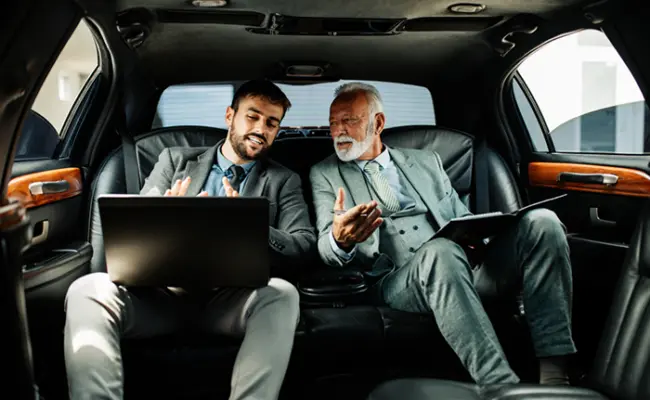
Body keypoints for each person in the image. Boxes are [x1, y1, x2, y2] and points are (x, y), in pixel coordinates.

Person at [309, 82, 576, 386]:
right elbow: (325, 244)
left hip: (463, 266)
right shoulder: (325, 173)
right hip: (395, 281)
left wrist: (483, 234)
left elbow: (461, 218)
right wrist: (341, 239)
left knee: (543, 222)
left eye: (349, 120)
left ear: (378, 123)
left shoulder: (426, 161)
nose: (338, 131)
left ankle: (555, 376)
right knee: (440, 251)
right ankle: (501, 386)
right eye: (333, 122)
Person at [64, 80, 316, 400]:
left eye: (271, 122)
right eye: (252, 117)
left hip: (230, 303)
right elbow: (137, 229)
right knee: (85, 290)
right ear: (229, 116)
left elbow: (303, 244)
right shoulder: (174, 160)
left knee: (283, 294)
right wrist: (162, 213)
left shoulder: (283, 180)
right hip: (160, 299)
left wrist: (248, 224)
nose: (261, 129)